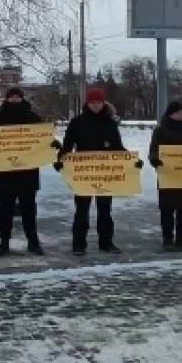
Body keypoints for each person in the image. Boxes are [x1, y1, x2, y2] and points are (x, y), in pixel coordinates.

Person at [57, 87, 138, 256]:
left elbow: (118, 148)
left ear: (103, 103)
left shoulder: (109, 123)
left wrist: (132, 161)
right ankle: (79, 244)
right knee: (81, 210)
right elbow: (67, 145)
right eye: (92, 102)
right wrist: (61, 160)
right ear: (87, 103)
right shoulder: (77, 122)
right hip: (83, 174)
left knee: (105, 210)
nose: (96, 106)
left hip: (105, 173)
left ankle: (106, 243)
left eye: (99, 102)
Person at [0, 87, 52, 256]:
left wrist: (52, 144)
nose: (15, 100)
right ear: (7, 99)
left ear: (22, 98)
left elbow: (44, 137)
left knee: (29, 210)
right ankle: (4, 243)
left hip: (27, 172)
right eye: (12, 97)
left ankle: (33, 242)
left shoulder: (32, 117)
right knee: (5, 211)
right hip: (5, 172)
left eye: (18, 97)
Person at [148, 100, 182, 251]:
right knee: (167, 208)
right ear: (170, 114)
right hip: (168, 174)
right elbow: (153, 150)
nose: (180, 115)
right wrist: (155, 160)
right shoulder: (160, 130)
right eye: (177, 113)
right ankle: (167, 238)